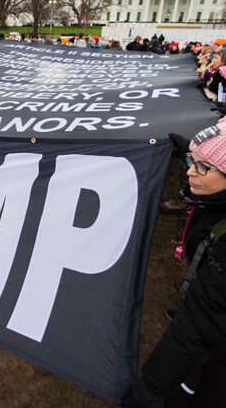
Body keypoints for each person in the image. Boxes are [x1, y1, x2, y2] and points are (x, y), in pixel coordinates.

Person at [123, 119, 226, 407]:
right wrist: (191, 152)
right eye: (192, 161)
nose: (191, 171)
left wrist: (151, 389)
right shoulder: (217, 199)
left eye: (203, 167)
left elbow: (196, 331)